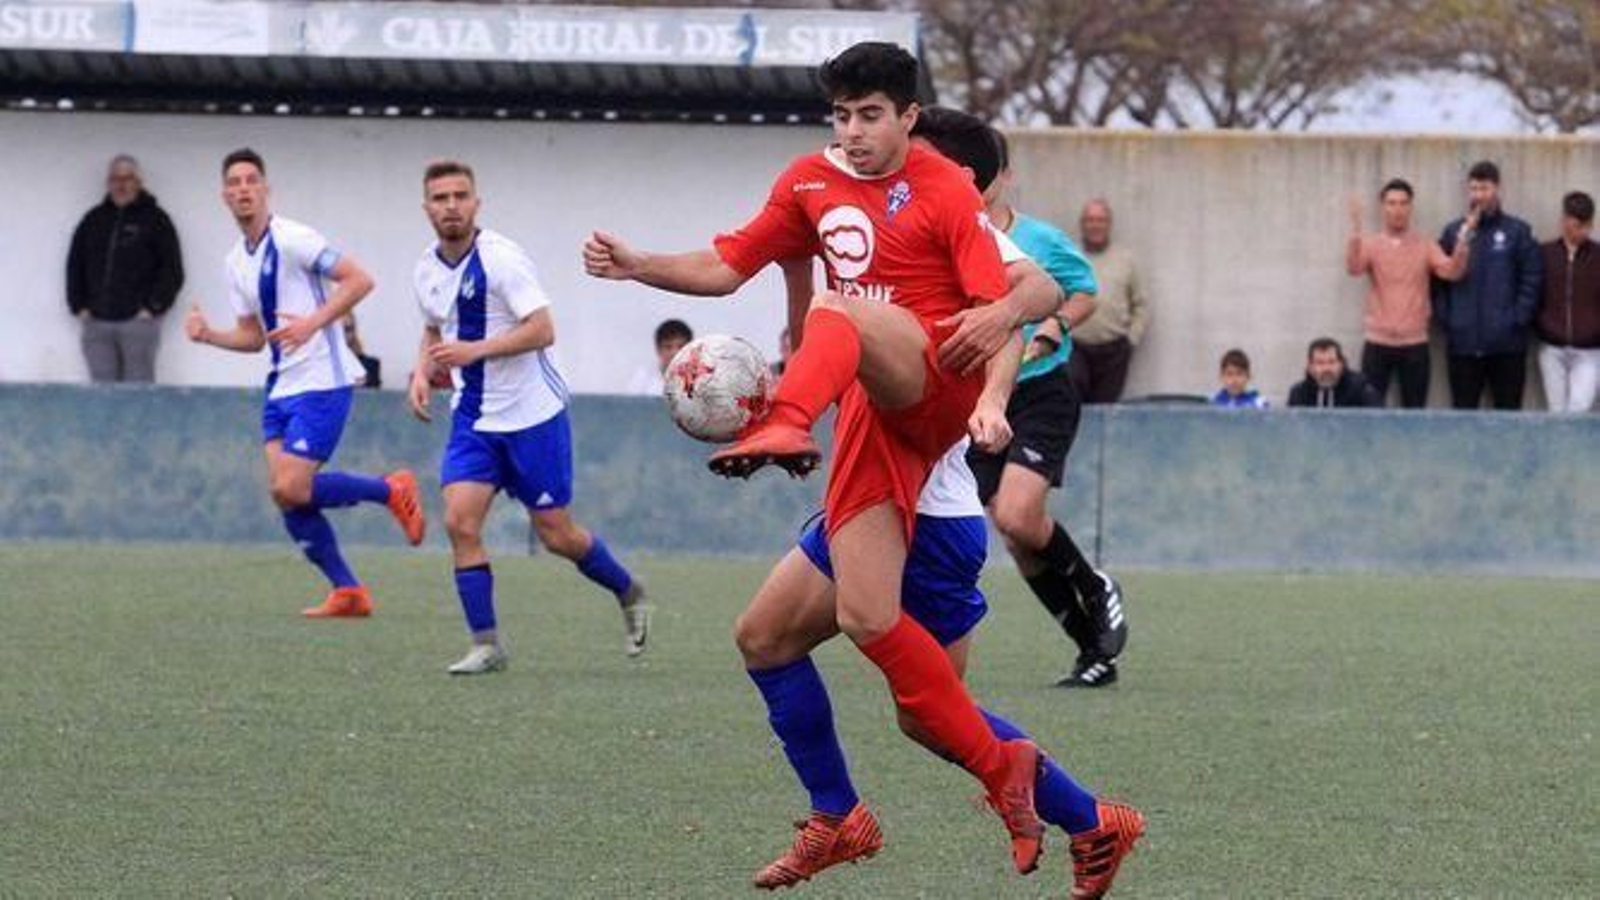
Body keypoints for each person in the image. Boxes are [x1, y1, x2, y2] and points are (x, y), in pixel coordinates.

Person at [584, 42, 1068, 875]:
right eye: (840, 116)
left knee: (838, 318)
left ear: (909, 119)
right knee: (788, 644)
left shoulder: (946, 190)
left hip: (932, 425)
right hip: (874, 434)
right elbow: (730, 261)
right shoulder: (811, 183)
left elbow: (1028, 292)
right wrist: (640, 267)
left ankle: (784, 425)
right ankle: (1035, 813)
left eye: (869, 114)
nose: (851, 132)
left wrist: (995, 358)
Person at [733, 107, 1143, 897]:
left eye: (906, 155)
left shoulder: (981, 239)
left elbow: (1022, 314)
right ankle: (837, 816)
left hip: (926, 510)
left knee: (929, 715)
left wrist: (991, 399)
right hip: (870, 491)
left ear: (953, 178)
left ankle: (1091, 820)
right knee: (765, 637)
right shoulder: (891, 220)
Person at [408, 160, 648, 675]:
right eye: (440, 197)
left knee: (557, 534)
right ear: (426, 207)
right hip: (474, 418)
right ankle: (487, 644)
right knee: (458, 521)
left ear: (476, 203)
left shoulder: (501, 260)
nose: (451, 205)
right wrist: (419, 373)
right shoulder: (425, 268)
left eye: (460, 195)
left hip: (532, 415)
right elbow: (433, 330)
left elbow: (543, 329)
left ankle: (627, 590)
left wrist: (476, 351)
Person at [185, 148, 425, 617]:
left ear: (265, 188)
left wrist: (312, 323)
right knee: (284, 492)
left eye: (251, 180)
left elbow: (359, 279)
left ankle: (390, 490)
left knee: (293, 487)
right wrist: (209, 335)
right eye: (233, 183)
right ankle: (348, 591)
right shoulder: (236, 262)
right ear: (223, 195)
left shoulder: (293, 238)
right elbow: (254, 338)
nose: (243, 189)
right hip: (280, 386)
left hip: (322, 378)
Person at [977, 126, 1127, 689]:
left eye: (984, 175)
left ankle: (1096, 586)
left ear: (1005, 178)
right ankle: (1092, 650)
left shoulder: (1040, 240)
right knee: (1015, 536)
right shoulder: (949, 240)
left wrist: (1054, 324)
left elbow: (1084, 291)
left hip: (1041, 390)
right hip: (986, 398)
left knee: (1017, 516)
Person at [1344, 178, 1473, 407]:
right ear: (1382, 207)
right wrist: (1355, 231)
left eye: (1403, 203)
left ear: (1411, 207)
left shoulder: (1425, 244)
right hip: (1377, 342)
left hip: (1415, 344)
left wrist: (1463, 242)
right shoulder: (1372, 243)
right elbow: (1354, 268)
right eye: (1392, 203)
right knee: (1370, 411)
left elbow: (1452, 272)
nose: (1397, 210)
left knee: (1414, 412)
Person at [1433, 160, 1543, 410]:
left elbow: (1532, 278)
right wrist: (1449, 320)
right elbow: (1438, 280)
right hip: (1463, 347)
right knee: (1463, 421)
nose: (1478, 195)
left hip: (1507, 347)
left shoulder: (1517, 231)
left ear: (1497, 188)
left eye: (1484, 188)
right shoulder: (1453, 233)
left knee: (1508, 422)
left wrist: (1516, 320)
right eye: (1473, 189)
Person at [67, 154, 184, 383]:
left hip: (138, 324)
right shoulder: (93, 220)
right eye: (115, 179)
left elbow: (172, 269)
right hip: (97, 324)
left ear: (139, 183)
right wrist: (78, 306)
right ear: (108, 183)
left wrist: (152, 307)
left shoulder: (156, 220)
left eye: (127, 178)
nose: (121, 184)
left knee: (138, 394)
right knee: (101, 396)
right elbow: (75, 264)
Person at [1070, 198, 1147, 404]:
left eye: (1101, 220)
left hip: (1114, 352)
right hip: (1075, 348)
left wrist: (1131, 340)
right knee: (1072, 402)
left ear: (1109, 224)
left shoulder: (1126, 260)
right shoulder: (1069, 256)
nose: (1095, 225)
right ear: (1082, 224)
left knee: (1106, 411)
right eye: (1090, 220)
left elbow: (1140, 305)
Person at [1534, 191, 1600, 412]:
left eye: (1584, 226)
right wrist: (1541, 326)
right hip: (1552, 348)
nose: (1579, 232)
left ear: (1591, 224)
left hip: (1590, 350)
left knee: (1579, 410)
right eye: (1573, 226)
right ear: (1563, 221)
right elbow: (1535, 293)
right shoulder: (1544, 254)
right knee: (1556, 412)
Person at [1287, 338, 1381, 408]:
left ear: (1341, 365)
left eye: (1332, 362)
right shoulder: (1298, 393)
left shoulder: (1361, 390)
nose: (1327, 368)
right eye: (1320, 363)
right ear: (1310, 367)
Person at [624, 318, 693, 395]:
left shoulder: (703, 380)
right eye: (668, 347)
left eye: (681, 347)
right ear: (658, 350)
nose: (675, 353)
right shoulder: (643, 377)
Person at [341, 313, 382, 388]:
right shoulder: (320, 366)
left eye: (347, 329)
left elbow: (371, 397)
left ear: (354, 332)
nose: (342, 335)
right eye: (338, 331)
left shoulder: (370, 366)